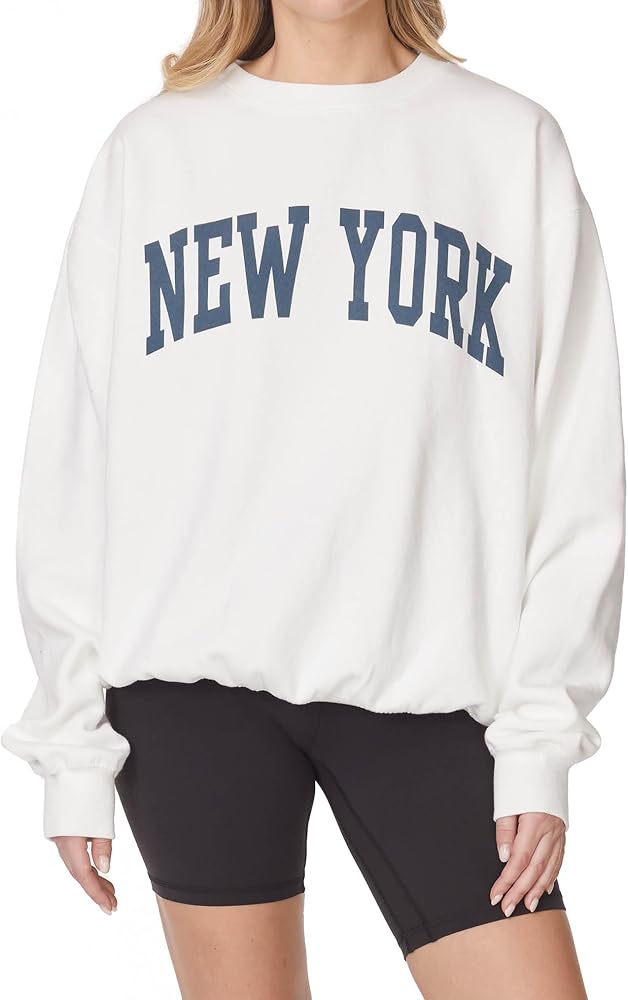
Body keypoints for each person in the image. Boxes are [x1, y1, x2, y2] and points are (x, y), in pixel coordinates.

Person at [2, 0, 625, 996]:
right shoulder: (152, 151)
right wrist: (72, 746)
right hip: (191, 695)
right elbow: (74, 464)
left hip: (430, 686)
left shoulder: (508, 145)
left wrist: (539, 741)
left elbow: (576, 463)